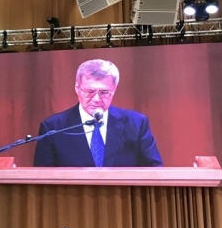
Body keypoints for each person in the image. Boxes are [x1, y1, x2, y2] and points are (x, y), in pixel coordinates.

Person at [33, 59, 163, 167]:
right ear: (77, 88)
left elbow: (155, 171)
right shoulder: (53, 128)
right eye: (90, 92)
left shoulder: (136, 124)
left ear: (114, 89)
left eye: (104, 92)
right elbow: (43, 179)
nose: (96, 99)